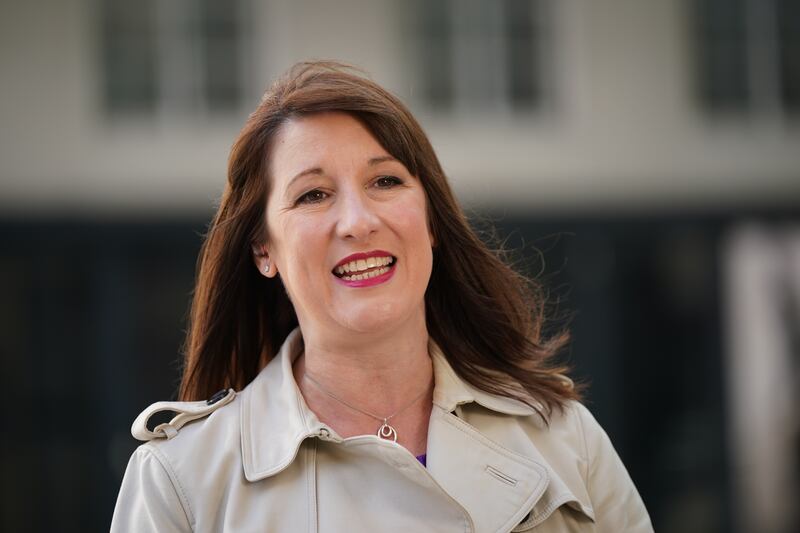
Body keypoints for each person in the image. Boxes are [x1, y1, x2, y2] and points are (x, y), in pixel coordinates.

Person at [111, 61, 653, 532]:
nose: (358, 221)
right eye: (314, 194)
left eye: (386, 182)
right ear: (262, 250)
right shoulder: (178, 483)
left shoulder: (563, 437)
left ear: (431, 219)